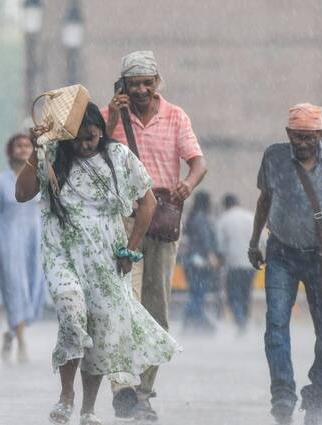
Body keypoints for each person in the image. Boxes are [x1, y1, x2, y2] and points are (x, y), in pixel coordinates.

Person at [15, 96, 180, 425]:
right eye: (76, 140)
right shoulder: (53, 156)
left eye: (91, 137)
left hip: (107, 258)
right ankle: (66, 395)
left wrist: (130, 250)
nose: (84, 146)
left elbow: (146, 204)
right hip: (63, 252)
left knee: (100, 331)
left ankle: (89, 409)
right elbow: (21, 193)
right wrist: (37, 150)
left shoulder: (118, 156)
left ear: (101, 133)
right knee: (72, 311)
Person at [248, 103, 322, 425]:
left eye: (309, 137)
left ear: (321, 134)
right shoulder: (274, 156)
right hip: (281, 254)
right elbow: (264, 201)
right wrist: (253, 241)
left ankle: (316, 398)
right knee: (275, 324)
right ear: (288, 134)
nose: (302, 143)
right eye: (297, 137)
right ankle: (283, 396)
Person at [103, 50, 207, 421]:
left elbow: (198, 161)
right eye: (134, 83)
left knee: (156, 308)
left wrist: (187, 186)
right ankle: (123, 385)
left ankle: (143, 391)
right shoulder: (109, 118)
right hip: (123, 221)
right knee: (122, 302)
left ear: (157, 82)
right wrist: (113, 116)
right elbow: (92, 153)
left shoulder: (176, 116)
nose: (142, 90)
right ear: (123, 85)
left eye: (147, 82)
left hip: (162, 220)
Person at [0, 133, 46, 363]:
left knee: (34, 289)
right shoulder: (1, 182)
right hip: (9, 239)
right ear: (10, 151)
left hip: (34, 238)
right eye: (18, 145)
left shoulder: (42, 176)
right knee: (15, 288)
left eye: (27, 145)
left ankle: (11, 332)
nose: (22, 149)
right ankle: (21, 343)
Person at [216, 193, 259, 334]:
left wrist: (220, 261)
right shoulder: (250, 216)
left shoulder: (224, 220)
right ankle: (244, 320)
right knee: (246, 293)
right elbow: (262, 239)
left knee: (233, 295)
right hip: (251, 263)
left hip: (233, 264)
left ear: (225, 205)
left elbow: (220, 245)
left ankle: (240, 320)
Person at [180, 191, 219, 333]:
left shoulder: (192, 218)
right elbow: (205, 240)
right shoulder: (202, 219)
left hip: (190, 262)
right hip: (201, 263)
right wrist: (211, 256)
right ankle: (191, 322)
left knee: (195, 293)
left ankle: (196, 323)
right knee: (198, 294)